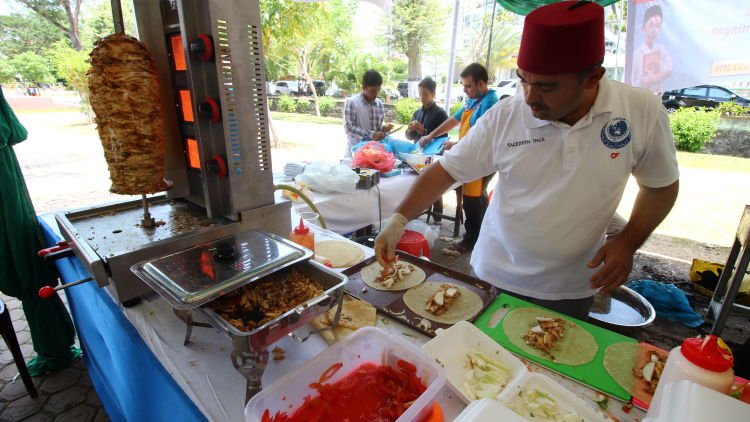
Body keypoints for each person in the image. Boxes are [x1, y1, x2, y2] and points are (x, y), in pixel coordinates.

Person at [375, 1, 679, 320]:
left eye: (547, 86)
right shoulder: (507, 115)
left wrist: (628, 242)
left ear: (593, 77)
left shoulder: (641, 112)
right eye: (524, 80)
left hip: (570, 289)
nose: (531, 96)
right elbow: (447, 170)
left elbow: (660, 186)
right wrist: (399, 220)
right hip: (492, 277)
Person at [417, 63, 499, 254]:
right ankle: (478, 237)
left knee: (473, 200)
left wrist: (456, 145)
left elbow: (482, 134)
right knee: (475, 198)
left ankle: (471, 241)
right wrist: (431, 136)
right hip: (470, 157)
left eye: (468, 86)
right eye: (463, 85)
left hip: (482, 159)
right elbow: (454, 120)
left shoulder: (490, 102)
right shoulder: (472, 101)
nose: (464, 89)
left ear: (480, 84)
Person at [405, 77, 449, 222]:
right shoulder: (417, 113)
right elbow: (409, 136)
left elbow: (443, 138)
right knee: (415, 184)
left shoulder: (440, 114)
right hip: (418, 155)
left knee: (434, 186)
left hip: (433, 156)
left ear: (433, 94)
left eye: (425, 94)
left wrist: (424, 131)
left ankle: (437, 218)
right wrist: (411, 130)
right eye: (420, 94)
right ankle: (413, 213)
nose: (422, 97)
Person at [343, 69, 392, 157]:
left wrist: (383, 130)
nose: (376, 94)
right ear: (364, 88)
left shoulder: (379, 104)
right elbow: (348, 128)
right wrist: (371, 135)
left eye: (378, 90)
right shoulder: (352, 102)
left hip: (374, 154)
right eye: (373, 91)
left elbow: (378, 129)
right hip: (355, 154)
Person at [631, 4, 672, 94]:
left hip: (656, 95)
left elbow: (669, 70)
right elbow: (631, 80)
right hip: (639, 96)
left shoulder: (661, 50)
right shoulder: (636, 54)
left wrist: (655, 78)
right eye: (651, 25)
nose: (654, 30)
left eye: (657, 26)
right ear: (643, 28)